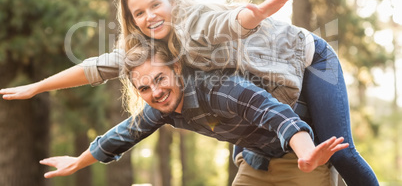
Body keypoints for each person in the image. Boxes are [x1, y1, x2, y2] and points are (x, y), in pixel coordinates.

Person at [0, 0, 379, 185]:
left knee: (341, 151)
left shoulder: (192, 21)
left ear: (172, 2)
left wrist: (252, 15)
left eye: (155, 5)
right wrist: (39, 86)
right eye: (139, 13)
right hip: (262, 86)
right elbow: (96, 68)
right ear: (131, 22)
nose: (149, 16)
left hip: (307, 58)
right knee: (245, 119)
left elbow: (227, 23)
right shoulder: (150, 53)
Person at [39, 40, 349, 185]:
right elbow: (124, 134)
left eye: (160, 79)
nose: (156, 93)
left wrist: (307, 154)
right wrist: (79, 161)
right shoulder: (161, 108)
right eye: (144, 89)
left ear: (176, 69)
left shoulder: (218, 89)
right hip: (258, 163)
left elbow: (274, 113)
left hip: (303, 156)